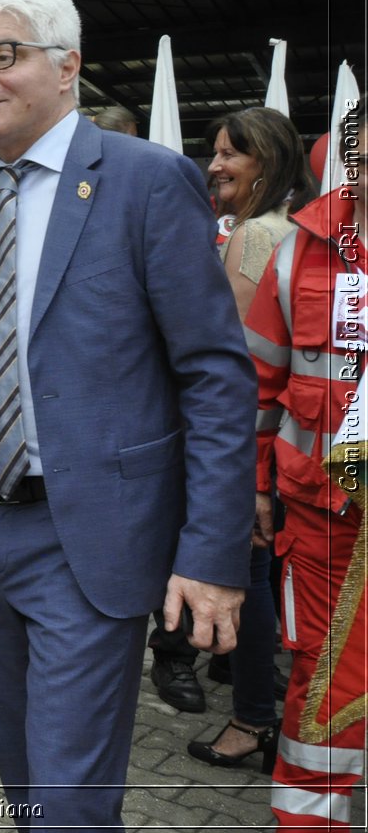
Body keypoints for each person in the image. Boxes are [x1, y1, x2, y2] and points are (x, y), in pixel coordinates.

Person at [0, 0, 254, 831]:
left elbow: (214, 373)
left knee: (69, 806)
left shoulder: (145, 180)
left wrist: (211, 555)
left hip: (86, 535)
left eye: (1, 54)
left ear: (69, 67)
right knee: (25, 786)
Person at [170, 107, 316, 760]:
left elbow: (238, 358)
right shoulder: (297, 231)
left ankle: (253, 720)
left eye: (233, 153)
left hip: (244, 439)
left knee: (248, 576)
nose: (217, 164)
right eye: (215, 151)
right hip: (280, 442)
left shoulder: (262, 235)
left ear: (271, 159)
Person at [244, 115, 365, 830]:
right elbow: (260, 384)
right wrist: (257, 485)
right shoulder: (299, 252)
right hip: (324, 512)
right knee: (323, 673)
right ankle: (311, 820)